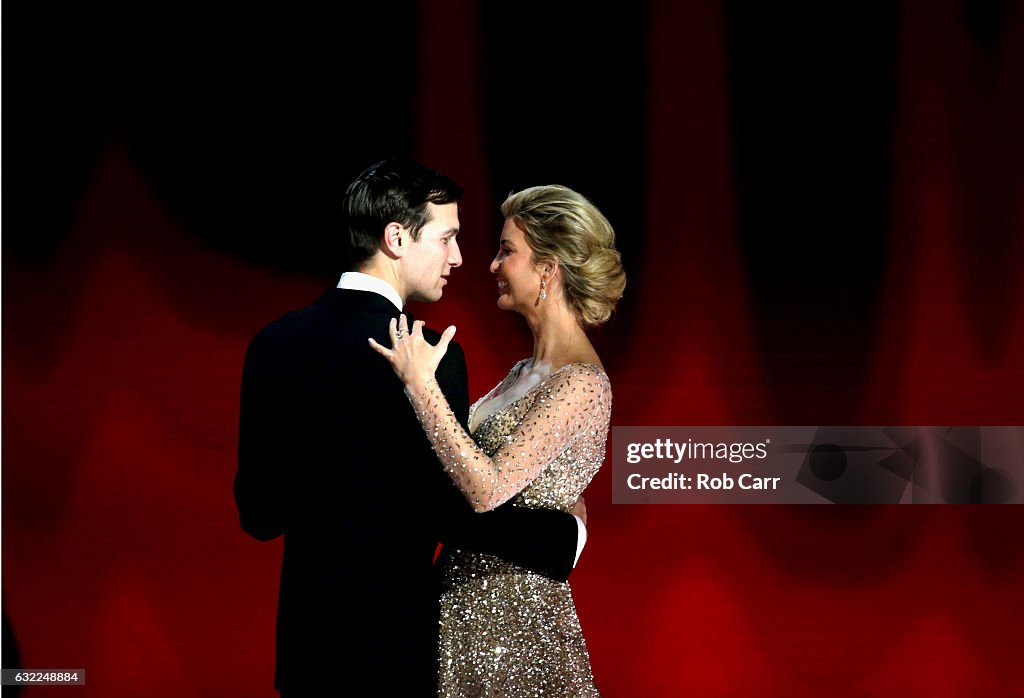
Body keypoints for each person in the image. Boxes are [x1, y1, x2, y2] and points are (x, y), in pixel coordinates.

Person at [234, 161, 584, 696]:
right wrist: (564, 538)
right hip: (395, 650)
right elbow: (451, 510)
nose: (459, 258)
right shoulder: (432, 356)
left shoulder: (273, 342)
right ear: (396, 237)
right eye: (447, 238)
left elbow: (258, 514)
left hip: (308, 649)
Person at [370, 184, 626, 696]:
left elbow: (487, 489)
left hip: (511, 625)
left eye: (507, 251)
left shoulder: (581, 381)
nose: (490, 265)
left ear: (549, 269)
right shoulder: (523, 372)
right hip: (464, 603)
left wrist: (422, 386)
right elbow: (554, 484)